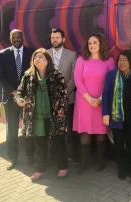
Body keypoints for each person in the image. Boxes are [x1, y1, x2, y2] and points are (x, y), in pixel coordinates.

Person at [14, 48, 69, 181]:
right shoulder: (28, 75)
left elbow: (64, 96)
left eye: (40, 57)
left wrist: (61, 111)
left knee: (57, 142)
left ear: (47, 60)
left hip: (54, 116)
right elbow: (19, 92)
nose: (37, 59)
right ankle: (40, 169)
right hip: (35, 116)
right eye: (35, 57)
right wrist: (19, 99)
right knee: (39, 143)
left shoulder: (57, 75)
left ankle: (63, 167)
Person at [73, 33, 115, 175]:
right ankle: (84, 164)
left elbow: (111, 83)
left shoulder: (109, 61)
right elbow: (77, 80)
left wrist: (100, 99)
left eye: (95, 42)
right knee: (84, 132)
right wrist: (88, 97)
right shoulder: (81, 60)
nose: (92, 45)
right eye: (90, 43)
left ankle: (100, 162)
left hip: (101, 103)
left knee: (101, 133)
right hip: (84, 102)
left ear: (101, 44)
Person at [0, 29, 35, 170]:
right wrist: (14, 92)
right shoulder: (3, 54)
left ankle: (31, 156)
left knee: (29, 128)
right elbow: (0, 76)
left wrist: (26, 93)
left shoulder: (32, 53)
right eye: (14, 37)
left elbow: (34, 74)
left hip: (27, 98)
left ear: (23, 38)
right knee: (11, 129)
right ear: (10, 39)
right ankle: (13, 158)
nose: (17, 39)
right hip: (10, 97)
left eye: (19, 37)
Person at [102, 52, 131, 181]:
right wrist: (105, 113)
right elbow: (105, 94)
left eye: (125, 60)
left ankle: (129, 168)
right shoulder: (111, 75)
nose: (122, 63)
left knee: (130, 144)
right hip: (117, 117)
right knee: (118, 144)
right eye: (120, 60)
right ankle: (121, 169)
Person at [47, 28, 78, 164]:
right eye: (53, 38)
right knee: (51, 127)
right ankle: (53, 155)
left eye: (57, 37)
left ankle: (69, 155)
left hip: (68, 98)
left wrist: (63, 91)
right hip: (49, 99)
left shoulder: (72, 55)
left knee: (68, 128)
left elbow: (74, 78)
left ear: (63, 39)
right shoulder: (45, 54)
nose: (55, 40)